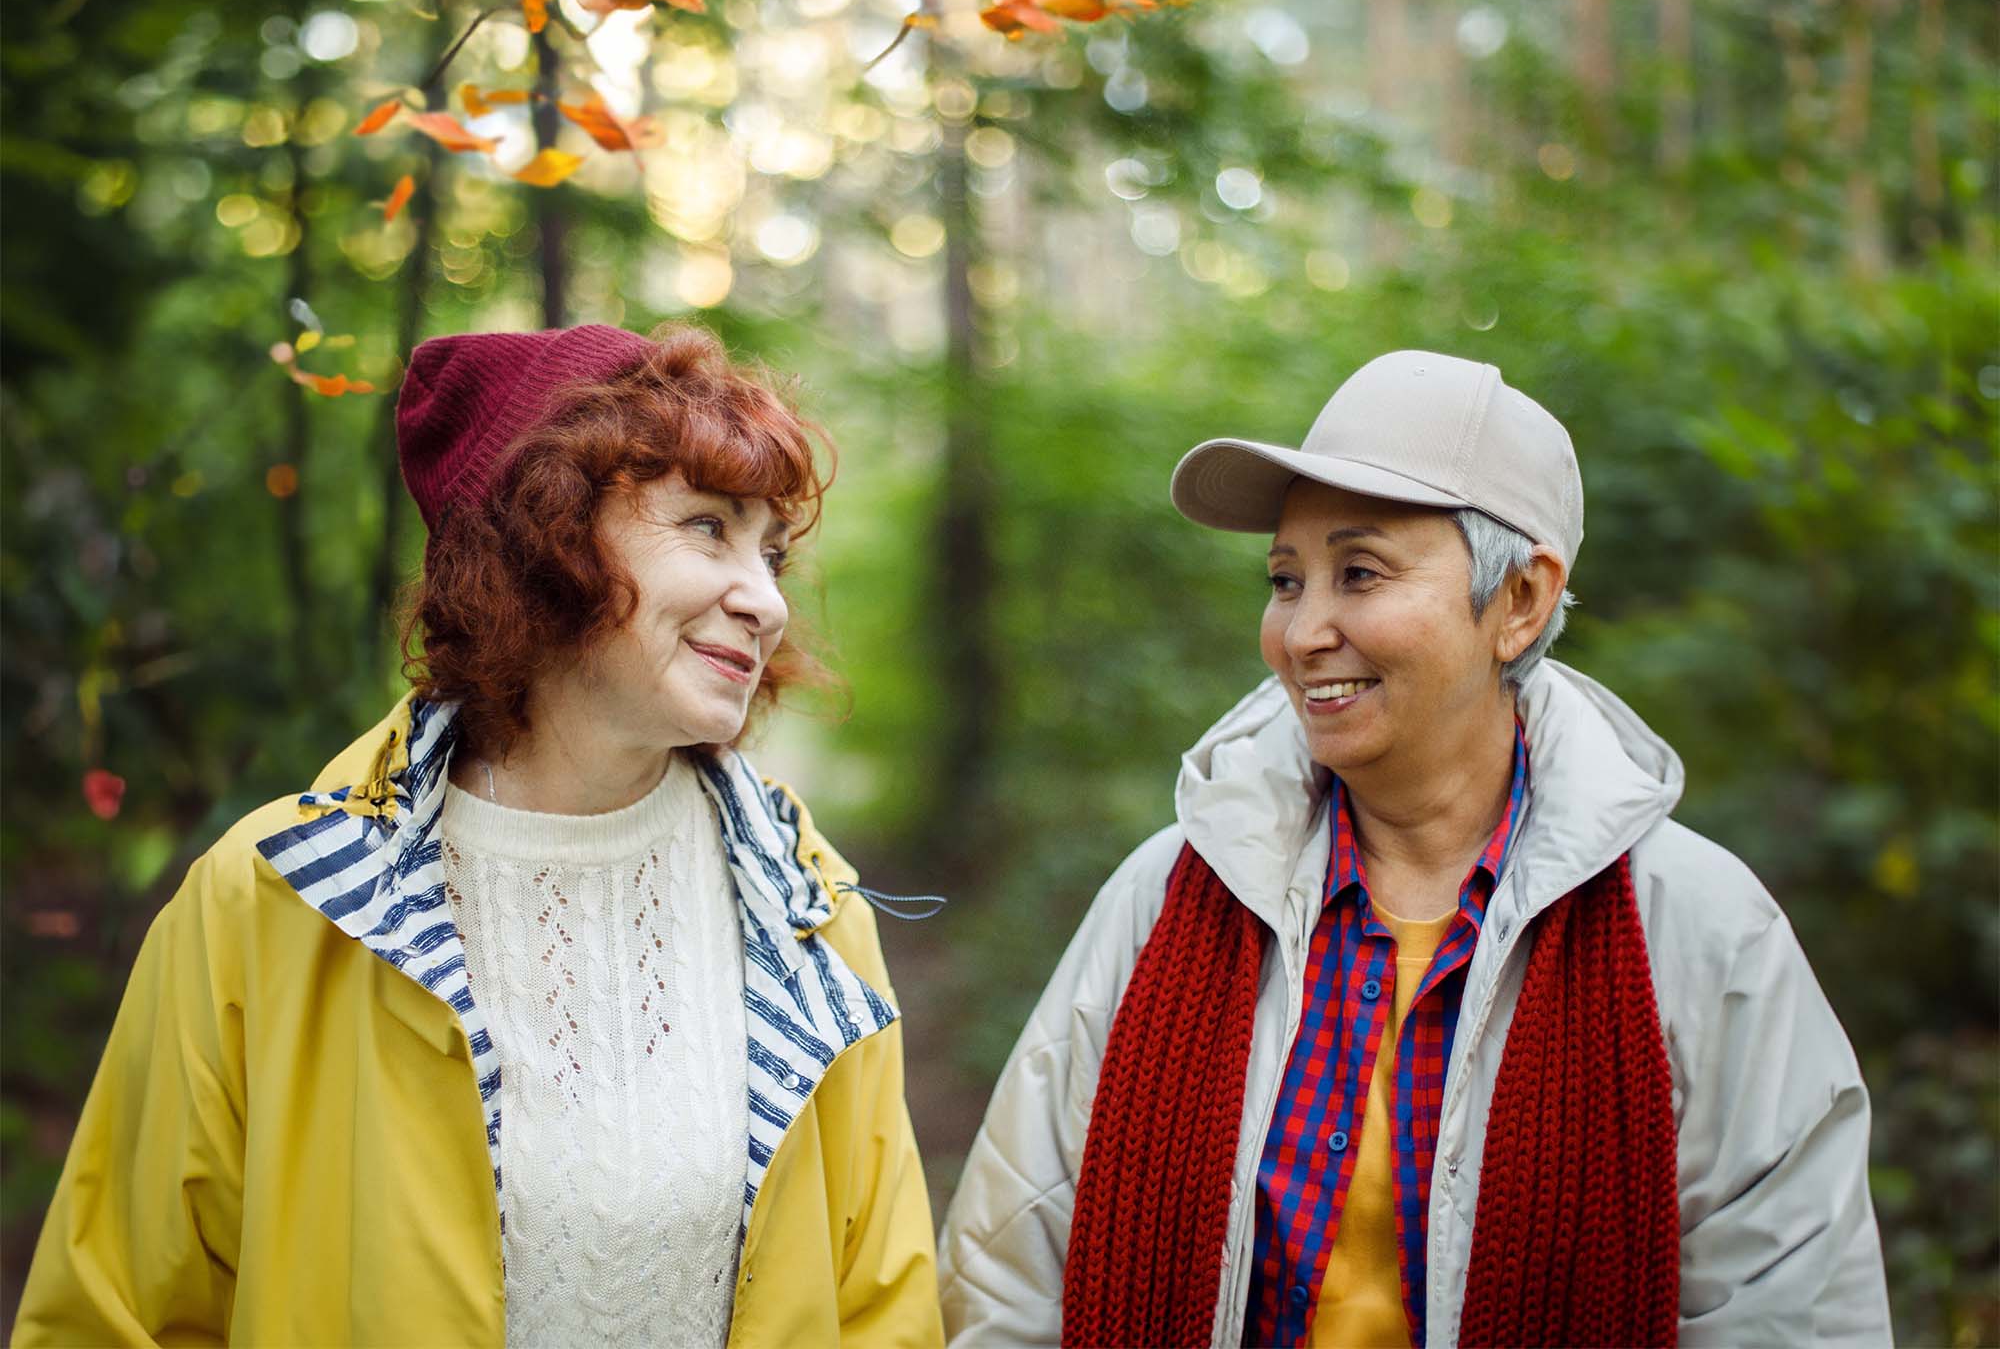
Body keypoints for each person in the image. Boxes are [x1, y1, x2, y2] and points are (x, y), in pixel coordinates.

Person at [938, 350, 1890, 1348]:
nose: (1302, 630)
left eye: (1359, 572)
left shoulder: (1696, 929)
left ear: (1517, 601)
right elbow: (1010, 1279)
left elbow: (1790, 1312)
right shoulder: (1164, 900)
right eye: (1282, 578)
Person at [18, 324, 944, 1348]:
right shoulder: (274, 901)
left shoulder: (806, 910)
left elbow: (880, 1310)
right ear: (541, 544)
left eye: (771, 550)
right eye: (706, 527)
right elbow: (118, 1313)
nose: (764, 600)